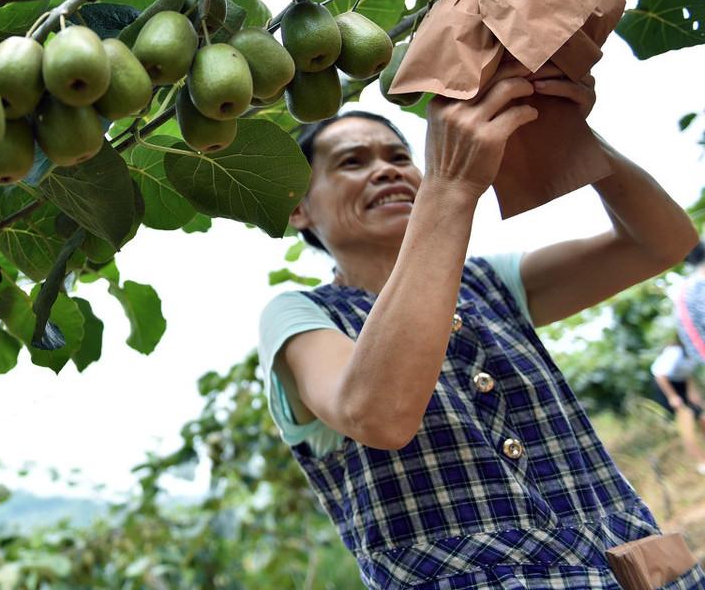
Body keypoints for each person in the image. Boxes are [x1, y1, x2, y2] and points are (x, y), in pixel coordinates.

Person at [257, 61, 702, 588]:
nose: (387, 169)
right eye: (352, 162)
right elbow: (379, 414)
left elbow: (662, 243)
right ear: (298, 209)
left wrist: (575, 136)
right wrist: (450, 185)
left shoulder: (491, 282)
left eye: (401, 156)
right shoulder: (300, 313)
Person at [649, 333, 705, 475]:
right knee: (686, 423)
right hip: (665, 385)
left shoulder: (694, 351)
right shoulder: (675, 352)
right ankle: (701, 463)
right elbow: (660, 375)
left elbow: (687, 373)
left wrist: (692, 392)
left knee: (702, 418)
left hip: (682, 384)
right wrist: (673, 397)